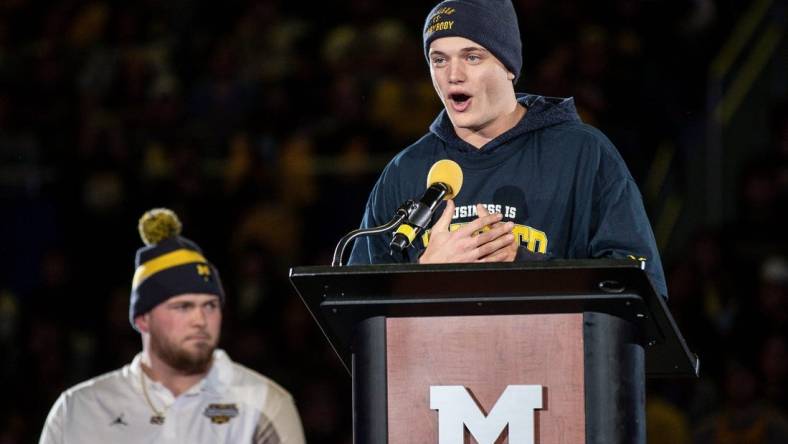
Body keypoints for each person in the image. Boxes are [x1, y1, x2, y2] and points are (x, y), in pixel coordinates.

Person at [348, 0, 667, 298]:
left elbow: (640, 287)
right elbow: (356, 305)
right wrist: (425, 274)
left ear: (509, 66)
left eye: (472, 57)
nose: (453, 75)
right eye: (439, 60)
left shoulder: (583, 154)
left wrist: (526, 266)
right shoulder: (407, 169)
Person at [39, 208, 306, 444]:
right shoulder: (79, 409)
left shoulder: (265, 404)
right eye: (183, 306)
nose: (201, 320)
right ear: (143, 318)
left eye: (211, 305)